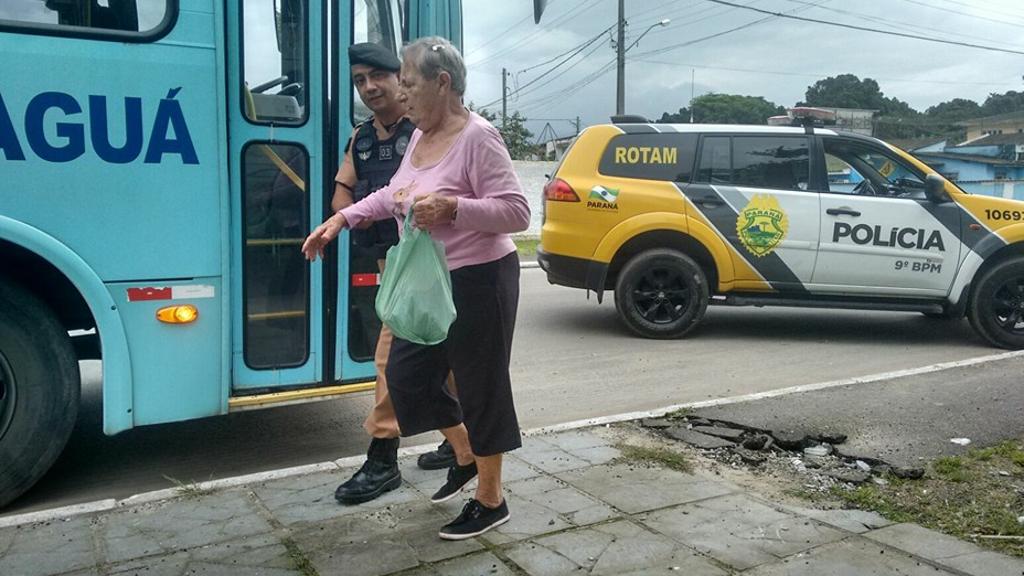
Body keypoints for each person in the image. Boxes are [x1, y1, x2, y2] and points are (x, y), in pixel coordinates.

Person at [302, 36, 530, 539]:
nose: (401, 95)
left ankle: (491, 500)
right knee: (406, 378)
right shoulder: (420, 139)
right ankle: (465, 454)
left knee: (480, 387)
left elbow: (517, 212)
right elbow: (393, 193)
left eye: (408, 84)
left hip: (480, 280)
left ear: (441, 83)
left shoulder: (479, 137)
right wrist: (342, 219)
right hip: (429, 282)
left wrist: (455, 208)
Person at [331, 42, 455, 506]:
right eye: (359, 80)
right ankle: (455, 444)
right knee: (427, 360)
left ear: (401, 79)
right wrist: (354, 215)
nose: (368, 88)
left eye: (377, 77)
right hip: (396, 267)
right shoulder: (360, 138)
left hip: (436, 267)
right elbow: (342, 194)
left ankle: (383, 459)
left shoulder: (426, 129)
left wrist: (394, 213)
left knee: (398, 362)